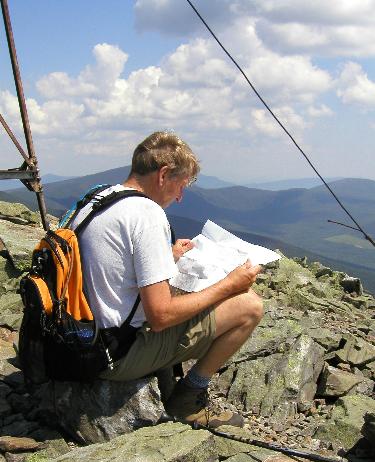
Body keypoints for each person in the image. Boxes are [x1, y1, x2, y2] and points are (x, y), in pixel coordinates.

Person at [72, 131, 263, 428]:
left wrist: (166, 255)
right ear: (163, 175)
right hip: (115, 355)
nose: (180, 196)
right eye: (181, 185)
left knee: (184, 290)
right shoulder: (147, 214)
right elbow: (160, 316)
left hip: (83, 338)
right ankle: (188, 400)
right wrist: (231, 285)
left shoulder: (99, 199)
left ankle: (170, 383)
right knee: (249, 305)